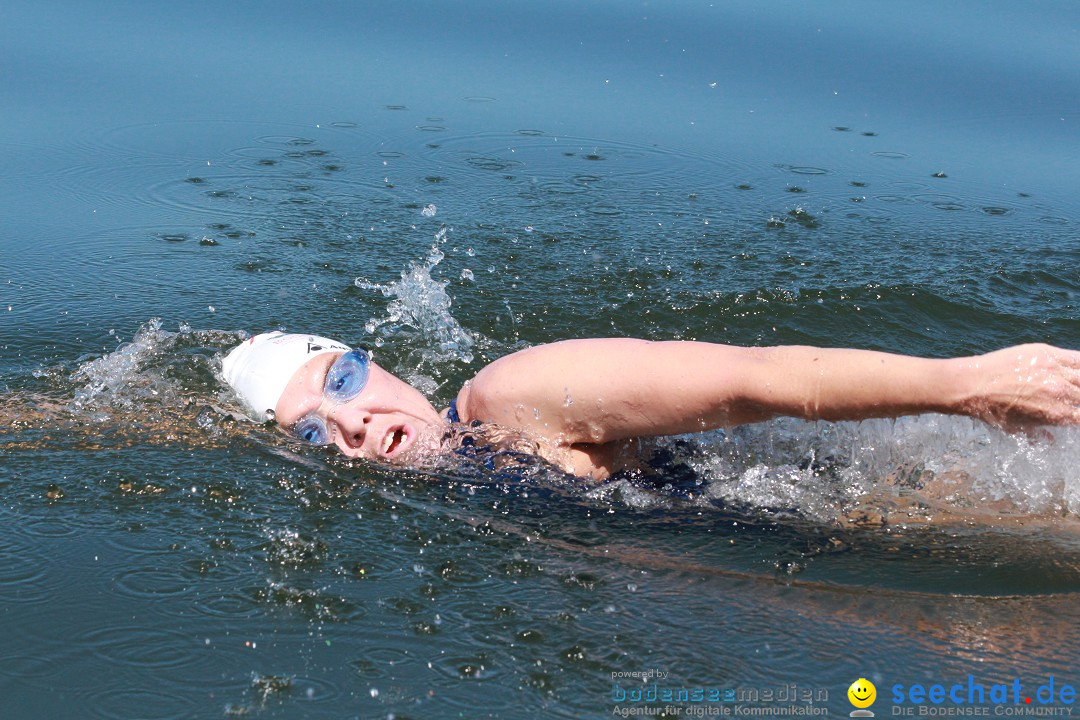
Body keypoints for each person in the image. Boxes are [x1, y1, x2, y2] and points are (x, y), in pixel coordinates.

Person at [222, 332, 1080, 479]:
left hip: (865, 513)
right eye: (311, 430)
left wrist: (968, 385)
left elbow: (758, 378)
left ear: (382, 366)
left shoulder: (511, 396)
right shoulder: (450, 493)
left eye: (340, 383)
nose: (352, 424)